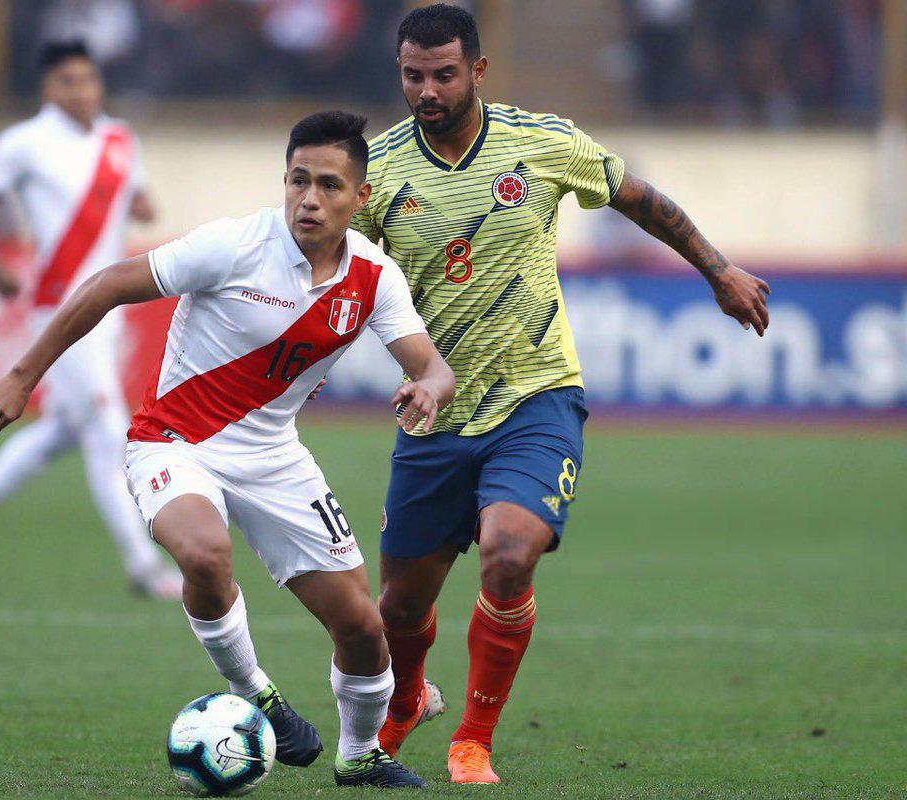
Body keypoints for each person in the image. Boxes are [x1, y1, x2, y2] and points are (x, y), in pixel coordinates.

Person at [0, 111, 455, 788]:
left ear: (360, 198)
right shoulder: (233, 245)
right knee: (203, 552)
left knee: (364, 629)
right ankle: (260, 694)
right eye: (298, 180)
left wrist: (430, 386)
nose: (310, 199)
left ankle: (359, 753)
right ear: (283, 181)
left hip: (274, 457)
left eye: (329, 186)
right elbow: (110, 285)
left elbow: (432, 365)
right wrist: (24, 375)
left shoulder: (374, 277)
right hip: (173, 442)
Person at [351, 4, 771, 784]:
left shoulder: (541, 142)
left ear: (477, 70)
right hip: (436, 414)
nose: (427, 90)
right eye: (413, 75)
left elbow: (640, 199)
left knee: (511, 556)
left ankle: (472, 738)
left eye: (444, 74)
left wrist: (718, 270)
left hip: (536, 400)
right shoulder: (378, 171)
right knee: (400, 610)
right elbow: (335, 270)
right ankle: (406, 699)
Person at [0, 41, 183, 599]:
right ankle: (143, 565)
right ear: (50, 87)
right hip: (60, 306)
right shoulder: (25, 142)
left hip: (109, 304)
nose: (81, 90)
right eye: (68, 81)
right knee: (108, 428)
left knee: (65, 430)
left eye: (89, 79)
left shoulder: (119, 137)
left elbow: (142, 203)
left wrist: (137, 205)